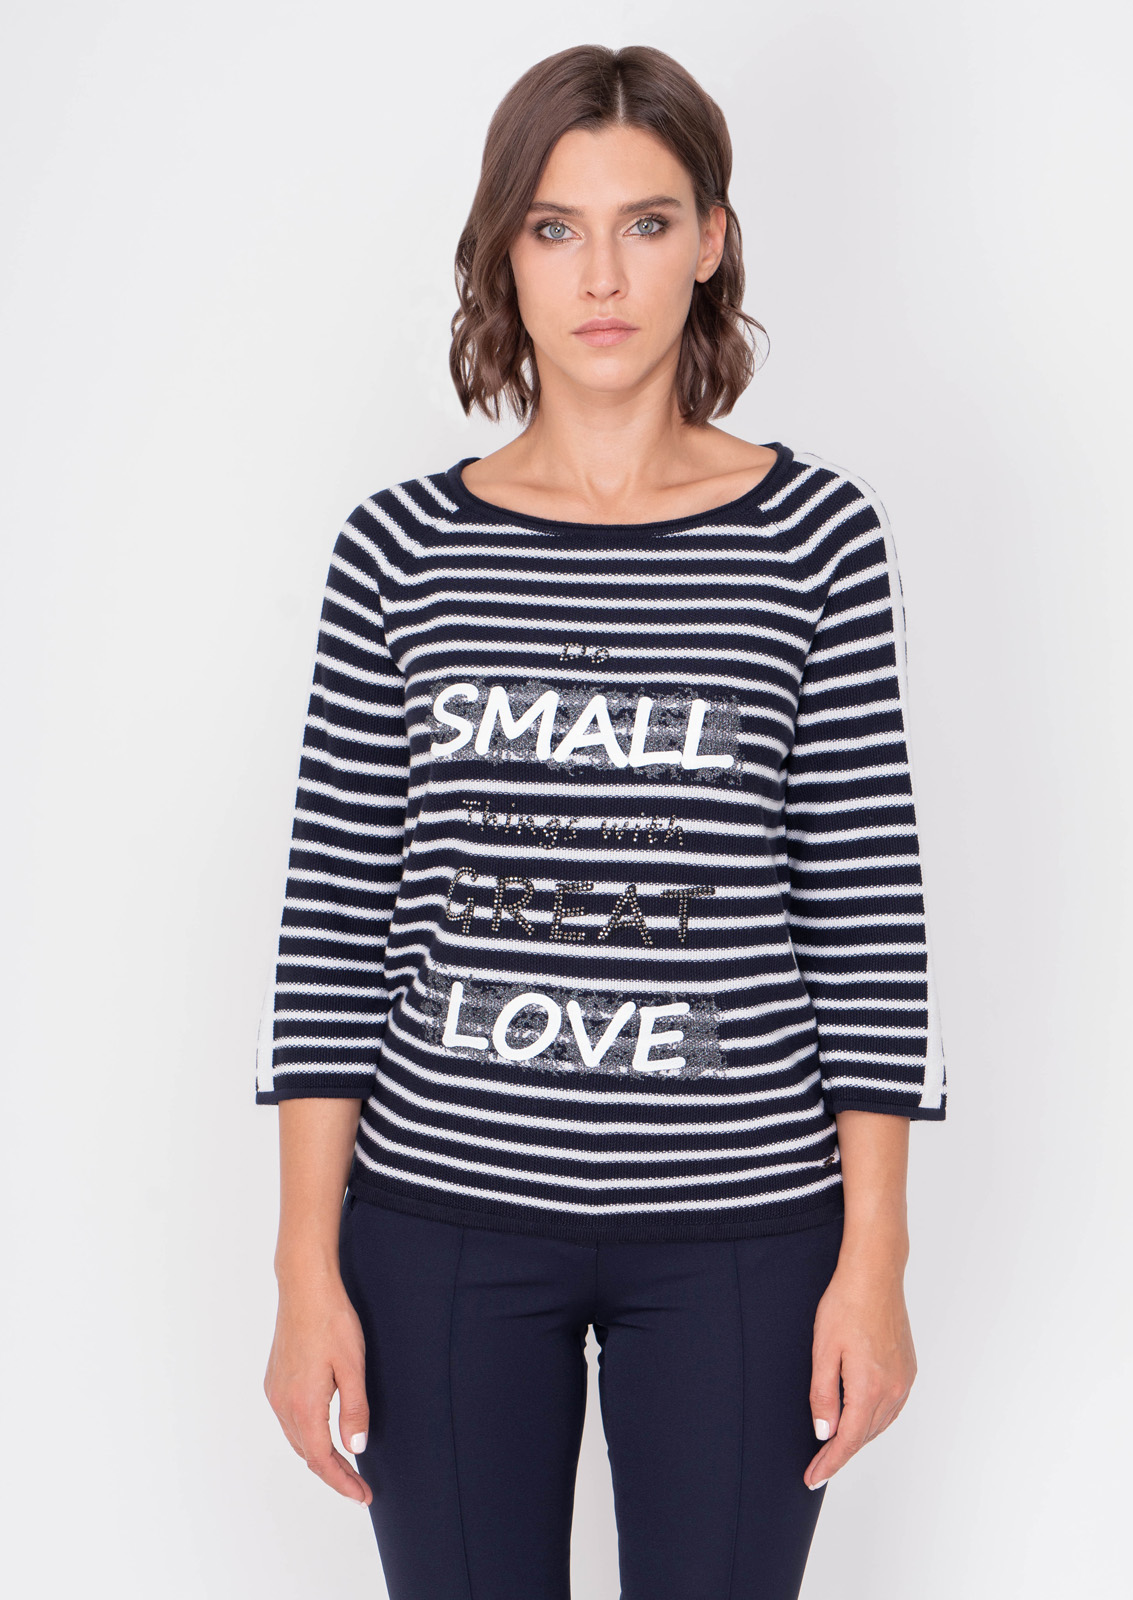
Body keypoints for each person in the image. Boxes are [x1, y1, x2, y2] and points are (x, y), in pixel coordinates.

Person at [257, 42, 947, 1600]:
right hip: (440, 1221)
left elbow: (866, 915)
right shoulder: (401, 551)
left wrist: (877, 1260)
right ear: (505, 252)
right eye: (555, 228)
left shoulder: (816, 538)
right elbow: (333, 922)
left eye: (647, 223)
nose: (602, 276)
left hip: (743, 1232)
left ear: (711, 241)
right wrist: (304, 1266)